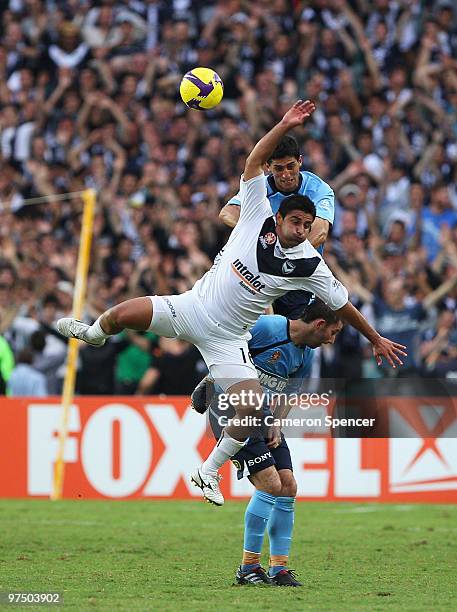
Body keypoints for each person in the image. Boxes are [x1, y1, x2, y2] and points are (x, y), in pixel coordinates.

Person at [56, 100, 406, 507]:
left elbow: (343, 305)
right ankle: (93, 335)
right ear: (278, 218)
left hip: (228, 339)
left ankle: (207, 472)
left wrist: (375, 337)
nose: (301, 229)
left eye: (306, 225)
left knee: (250, 408)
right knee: (120, 314)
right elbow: (255, 159)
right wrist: (284, 123)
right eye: (295, 222)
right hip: (190, 308)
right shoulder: (256, 211)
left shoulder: (310, 264)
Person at [195, 299, 343, 586]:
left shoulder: (305, 355)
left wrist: (276, 422)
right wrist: (208, 379)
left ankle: (279, 569)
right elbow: (226, 347)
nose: (331, 341)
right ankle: (248, 567)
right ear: (319, 325)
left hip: (263, 414)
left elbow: (288, 393)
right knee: (270, 484)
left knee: (287, 486)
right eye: (333, 333)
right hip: (231, 408)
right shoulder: (267, 327)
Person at [220, 133, 335, 318]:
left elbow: (320, 232)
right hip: (261, 272)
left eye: (291, 166)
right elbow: (228, 212)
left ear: (300, 161)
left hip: (298, 276)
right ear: (267, 166)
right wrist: (259, 232)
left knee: (298, 336)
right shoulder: (260, 187)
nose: (286, 174)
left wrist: (278, 252)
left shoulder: (318, 189)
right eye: (278, 168)